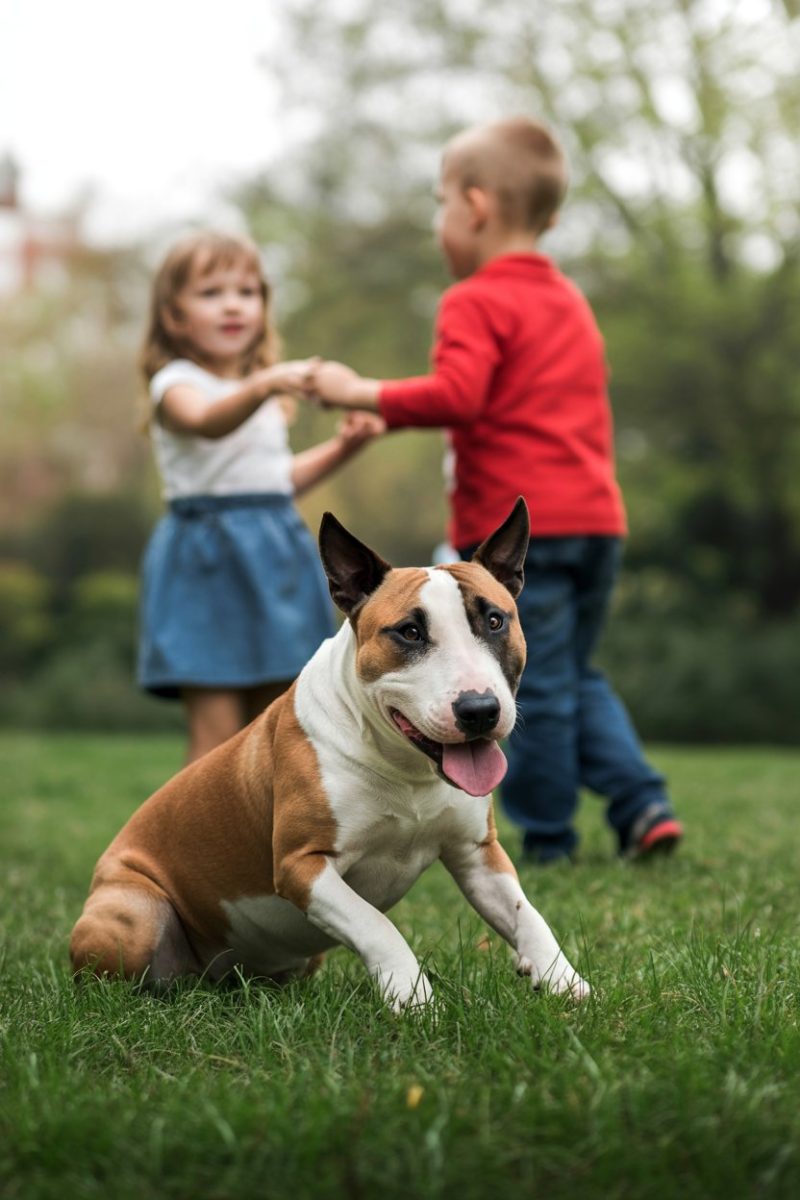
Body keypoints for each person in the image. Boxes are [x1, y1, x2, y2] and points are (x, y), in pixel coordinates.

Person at [306, 116, 683, 863]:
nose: (442, 222)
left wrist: (366, 391)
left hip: (514, 528)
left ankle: (547, 840)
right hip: (597, 520)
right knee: (568, 671)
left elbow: (460, 393)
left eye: (442, 204)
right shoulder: (569, 302)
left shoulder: (474, 299)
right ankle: (642, 802)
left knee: (521, 681)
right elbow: (518, 402)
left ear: (475, 207)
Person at [138, 230, 384, 763]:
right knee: (218, 734)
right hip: (206, 560)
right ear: (174, 316)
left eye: (247, 292)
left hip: (276, 554)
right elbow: (204, 423)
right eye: (210, 293)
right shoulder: (176, 382)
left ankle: (271, 840)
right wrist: (268, 383)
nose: (233, 304)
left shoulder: (263, 394)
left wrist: (344, 447)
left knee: (278, 724)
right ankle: (201, 843)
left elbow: (274, 480)